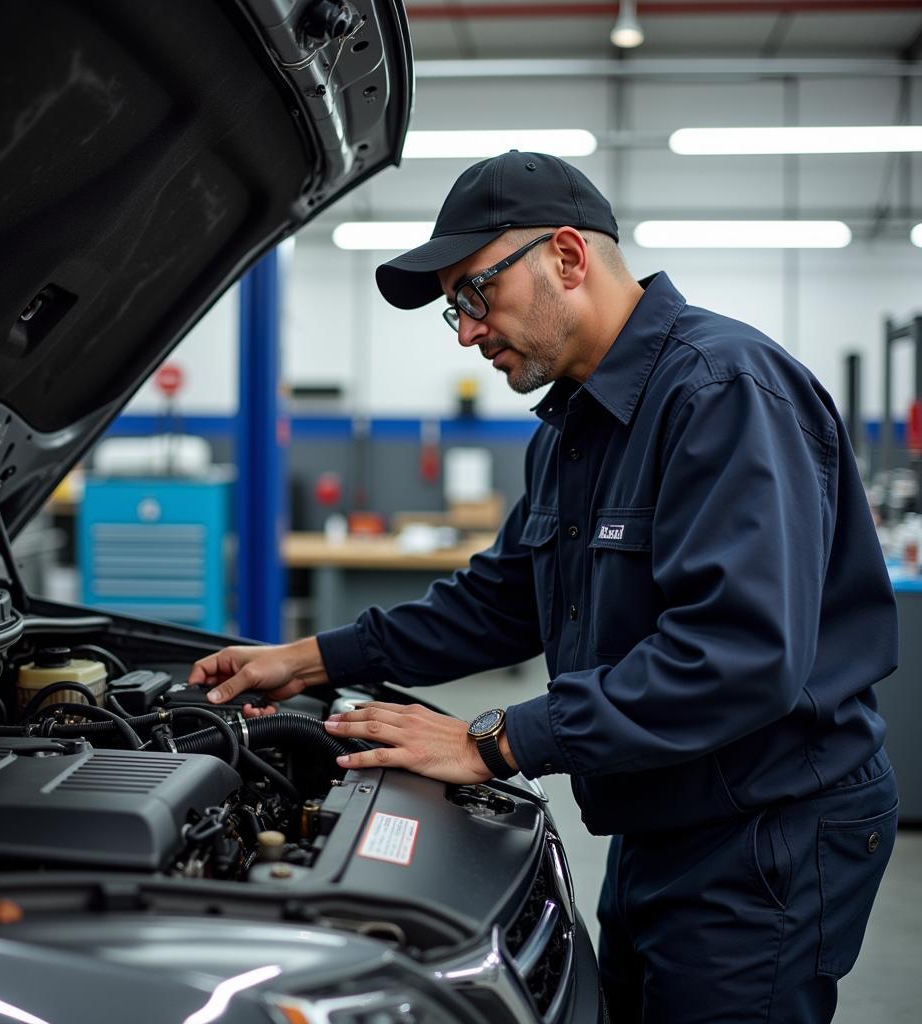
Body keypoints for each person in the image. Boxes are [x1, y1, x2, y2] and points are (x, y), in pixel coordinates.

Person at [188, 152, 899, 1022]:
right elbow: (503, 601)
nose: (465, 332)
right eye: (455, 309)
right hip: (662, 810)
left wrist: (493, 741)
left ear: (567, 255)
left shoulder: (722, 392)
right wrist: (305, 660)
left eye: (475, 296)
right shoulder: (572, 427)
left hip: (767, 830)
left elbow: (740, 653)